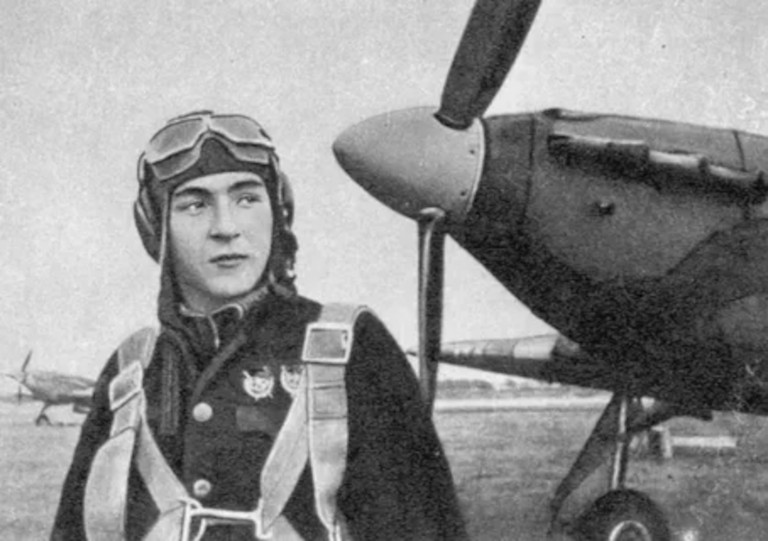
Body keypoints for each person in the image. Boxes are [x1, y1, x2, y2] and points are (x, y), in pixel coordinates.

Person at [50, 110, 467, 541]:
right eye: (194, 204)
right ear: (156, 226)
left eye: (247, 198)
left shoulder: (350, 347)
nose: (226, 227)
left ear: (277, 212)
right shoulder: (131, 370)